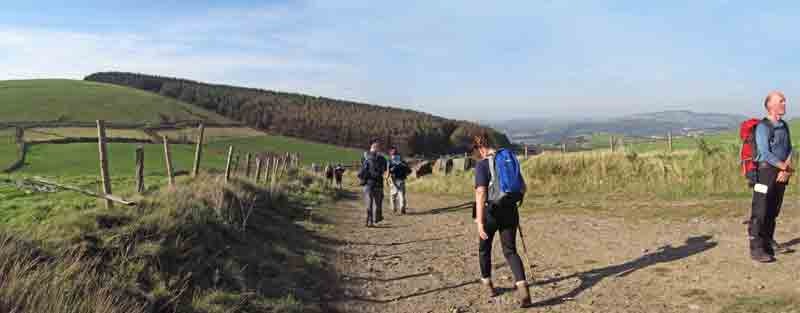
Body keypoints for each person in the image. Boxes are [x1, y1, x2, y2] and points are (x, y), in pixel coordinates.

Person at [472, 134, 531, 307]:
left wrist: (480, 220)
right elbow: (523, 187)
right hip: (510, 210)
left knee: (484, 249)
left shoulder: (482, 165)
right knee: (510, 251)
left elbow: (481, 192)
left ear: (480, 148)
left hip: (491, 212)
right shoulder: (507, 160)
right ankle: (523, 287)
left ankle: (488, 285)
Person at [749, 91, 794, 263]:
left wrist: (786, 169)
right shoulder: (763, 126)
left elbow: (790, 148)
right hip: (765, 172)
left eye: (784, 100)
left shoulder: (784, 125)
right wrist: (783, 166)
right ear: (770, 105)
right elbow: (764, 152)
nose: (784, 103)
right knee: (760, 209)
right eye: (781, 101)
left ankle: (768, 241)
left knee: (773, 209)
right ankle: (756, 248)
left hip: (781, 172)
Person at [358, 139, 387, 227]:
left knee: (374, 204)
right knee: (373, 203)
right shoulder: (368, 157)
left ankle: (373, 219)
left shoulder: (380, 158)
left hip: (373, 184)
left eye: (377, 146)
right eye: (375, 146)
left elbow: (384, 169)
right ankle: (371, 220)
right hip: (373, 184)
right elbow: (384, 170)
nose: (376, 148)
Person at [387, 146, 409, 214]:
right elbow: (408, 169)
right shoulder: (401, 160)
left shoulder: (390, 161)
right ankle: (402, 206)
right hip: (401, 179)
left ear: (390, 153)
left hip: (393, 179)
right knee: (401, 194)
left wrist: (386, 178)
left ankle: (393, 208)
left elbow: (388, 171)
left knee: (393, 195)